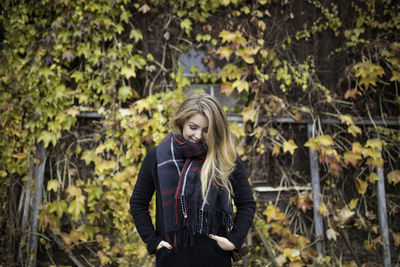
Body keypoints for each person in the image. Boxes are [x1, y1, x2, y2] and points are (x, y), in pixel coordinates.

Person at [130, 92, 255, 267]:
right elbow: (138, 203)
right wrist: (153, 241)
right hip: (171, 259)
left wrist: (233, 241)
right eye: (193, 127)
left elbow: (246, 204)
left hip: (214, 259)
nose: (198, 135)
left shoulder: (226, 158)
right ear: (182, 122)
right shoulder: (158, 157)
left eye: (206, 130)